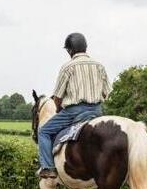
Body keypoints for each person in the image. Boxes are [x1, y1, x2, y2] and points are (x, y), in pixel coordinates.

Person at [37, 33, 112, 179]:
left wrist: (59, 109)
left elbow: (57, 97)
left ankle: (48, 168)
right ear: (85, 47)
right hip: (97, 111)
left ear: (70, 50)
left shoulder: (67, 67)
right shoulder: (99, 66)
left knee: (43, 132)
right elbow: (106, 94)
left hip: (74, 112)